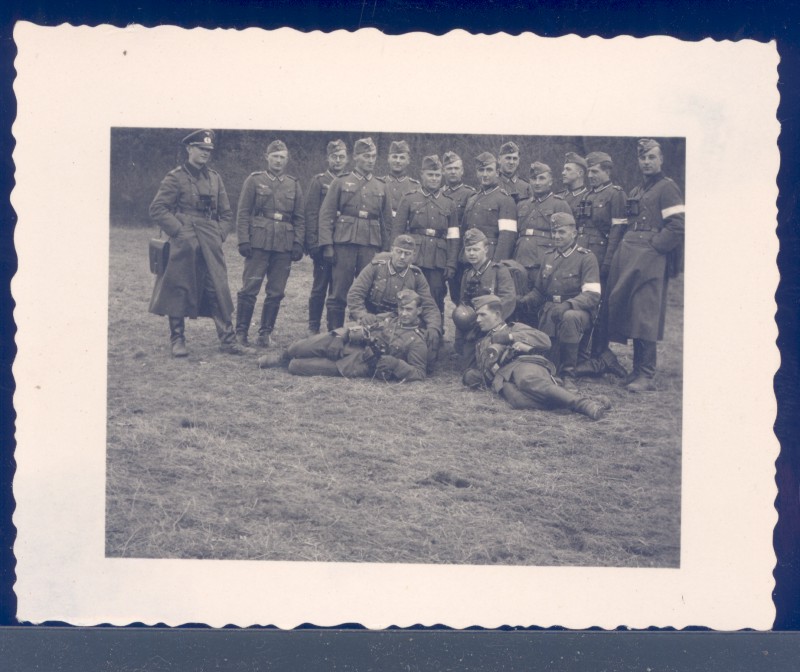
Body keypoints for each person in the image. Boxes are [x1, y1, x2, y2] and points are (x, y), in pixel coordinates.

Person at [148, 129, 245, 357]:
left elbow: (226, 213)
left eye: (208, 150)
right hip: (184, 242)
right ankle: (177, 340)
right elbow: (157, 208)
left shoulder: (215, 178)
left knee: (217, 287)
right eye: (201, 149)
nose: (205, 153)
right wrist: (179, 231)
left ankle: (228, 340)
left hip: (210, 241)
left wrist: (219, 234)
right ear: (189, 149)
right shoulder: (176, 177)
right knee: (178, 287)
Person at [607, 138, 685, 392]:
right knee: (633, 313)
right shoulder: (637, 190)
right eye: (643, 157)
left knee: (645, 313)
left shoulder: (667, 187)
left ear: (661, 159)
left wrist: (655, 247)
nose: (647, 162)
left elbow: (677, 225)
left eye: (652, 157)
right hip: (630, 257)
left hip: (650, 260)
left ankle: (647, 374)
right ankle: (636, 369)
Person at [461, 295, 611, 420]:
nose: (478, 319)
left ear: (497, 315)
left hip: (524, 363)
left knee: (528, 381)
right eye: (477, 315)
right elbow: (483, 372)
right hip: (504, 377)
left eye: (483, 315)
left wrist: (510, 337)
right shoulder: (482, 342)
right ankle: (587, 399)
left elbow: (544, 340)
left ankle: (583, 404)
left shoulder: (514, 327)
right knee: (518, 401)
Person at [235, 140, 305, 347]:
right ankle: (241, 333)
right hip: (258, 241)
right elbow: (243, 212)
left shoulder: (293, 184)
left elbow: (300, 218)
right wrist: (243, 239)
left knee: (276, 291)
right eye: (275, 156)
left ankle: (265, 334)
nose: (278, 161)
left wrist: (298, 242)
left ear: (287, 160)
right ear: (267, 157)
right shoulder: (255, 180)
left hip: (284, 244)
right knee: (250, 288)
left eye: (282, 157)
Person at [318, 137, 394, 330]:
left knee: (367, 291)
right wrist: (327, 245)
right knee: (338, 292)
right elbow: (326, 214)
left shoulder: (381, 186)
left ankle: (362, 333)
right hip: (344, 244)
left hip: (370, 245)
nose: (371, 160)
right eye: (366, 156)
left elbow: (386, 222)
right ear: (355, 157)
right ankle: (335, 333)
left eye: (373, 156)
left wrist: (386, 250)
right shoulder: (340, 182)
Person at [517, 212, 601, 377]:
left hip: (577, 313)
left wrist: (568, 305)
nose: (556, 236)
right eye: (554, 232)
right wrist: (523, 301)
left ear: (574, 234)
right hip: (551, 313)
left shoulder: (586, 258)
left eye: (561, 232)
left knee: (569, 317)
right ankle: (597, 364)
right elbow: (539, 291)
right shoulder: (548, 257)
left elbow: (592, 295)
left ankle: (569, 374)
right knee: (548, 364)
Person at [285, 289, 428, 382]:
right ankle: (281, 358)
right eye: (401, 308)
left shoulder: (416, 341)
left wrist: (395, 364)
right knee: (298, 348)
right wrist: (343, 335)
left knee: (296, 366)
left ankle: (288, 362)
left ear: (419, 311)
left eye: (409, 309)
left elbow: (419, 373)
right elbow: (362, 324)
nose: (403, 313)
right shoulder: (390, 318)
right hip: (350, 344)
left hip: (358, 364)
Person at [571, 151, 628, 378]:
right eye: (589, 171)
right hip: (583, 257)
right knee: (583, 304)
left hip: (601, 257)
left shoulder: (615, 195)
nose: (591, 175)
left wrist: (608, 262)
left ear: (607, 171)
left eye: (595, 171)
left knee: (599, 310)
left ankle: (600, 355)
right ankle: (583, 354)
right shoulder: (588, 195)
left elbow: (617, 231)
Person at [346, 234, 442, 364]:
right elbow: (355, 294)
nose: (402, 257)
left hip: (399, 321)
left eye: (407, 253)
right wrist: (362, 315)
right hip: (372, 318)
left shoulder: (416, 276)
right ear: (392, 250)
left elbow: (428, 305)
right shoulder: (376, 267)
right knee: (355, 345)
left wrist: (433, 327)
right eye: (399, 251)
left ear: (413, 256)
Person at [392, 154, 459, 323]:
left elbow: (453, 237)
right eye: (430, 174)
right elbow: (398, 232)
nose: (434, 178)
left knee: (436, 296)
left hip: (438, 260)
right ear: (422, 174)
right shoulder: (409, 199)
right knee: (409, 295)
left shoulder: (449, 203)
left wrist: (451, 263)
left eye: (437, 175)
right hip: (414, 257)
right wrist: (396, 258)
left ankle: (435, 331)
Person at [512, 161, 572, 321]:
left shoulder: (560, 204)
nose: (537, 183)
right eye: (534, 179)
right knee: (521, 306)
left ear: (550, 181)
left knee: (541, 309)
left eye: (541, 178)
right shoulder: (522, 205)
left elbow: (568, 238)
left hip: (544, 264)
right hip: (520, 263)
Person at [304, 139, 349, 335]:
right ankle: (313, 326)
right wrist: (313, 243)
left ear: (347, 159)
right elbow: (311, 213)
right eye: (334, 157)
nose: (338, 161)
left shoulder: (350, 181)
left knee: (337, 288)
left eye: (341, 157)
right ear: (327, 159)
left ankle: (334, 328)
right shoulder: (319, 181)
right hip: (323, 242)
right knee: (319, 286)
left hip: (343, 242)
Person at [453, 228, 516, 358]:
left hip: (495, 328)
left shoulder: (498, 270)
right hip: (472, 329)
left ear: (486, 249)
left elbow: (508, 300)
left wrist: (487, 321)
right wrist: (459, 337)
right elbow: (463, 306)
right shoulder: (467, 274)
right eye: (468, 249)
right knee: (466, 361)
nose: (471, 253)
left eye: (476, 249)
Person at [461, 152, 517, 261]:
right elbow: (464, 231)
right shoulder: (472, 199)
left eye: (489, 170)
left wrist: (497, 265)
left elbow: (507, 238)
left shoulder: (505, 200)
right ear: (477, 173)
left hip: (490, 258)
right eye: (481, 170)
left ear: (497, 173)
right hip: (469, 258)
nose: (485, 174)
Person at [441, 151, 477, 304]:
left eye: (456, 168)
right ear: (443, 171)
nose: (453, 172)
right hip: (441, 250)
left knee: (461, 296)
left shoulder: (470, 194)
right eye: (449, 168)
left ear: (462, 171)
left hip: (460, 251)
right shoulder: (438, 194)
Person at [379, 140, 420, 217]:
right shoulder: (379, 183)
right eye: (395, 157)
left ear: (408, 161)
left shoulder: (415, 186)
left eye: (402, 158)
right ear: (388, 158)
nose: (398, 161)